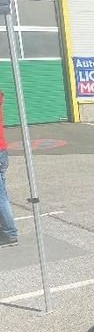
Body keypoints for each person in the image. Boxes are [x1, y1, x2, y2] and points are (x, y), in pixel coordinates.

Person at [0, 89, 19, 247]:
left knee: (1, 197)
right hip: (2, 151)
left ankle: (10, 232)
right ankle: (6, 230)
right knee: (2, 194)